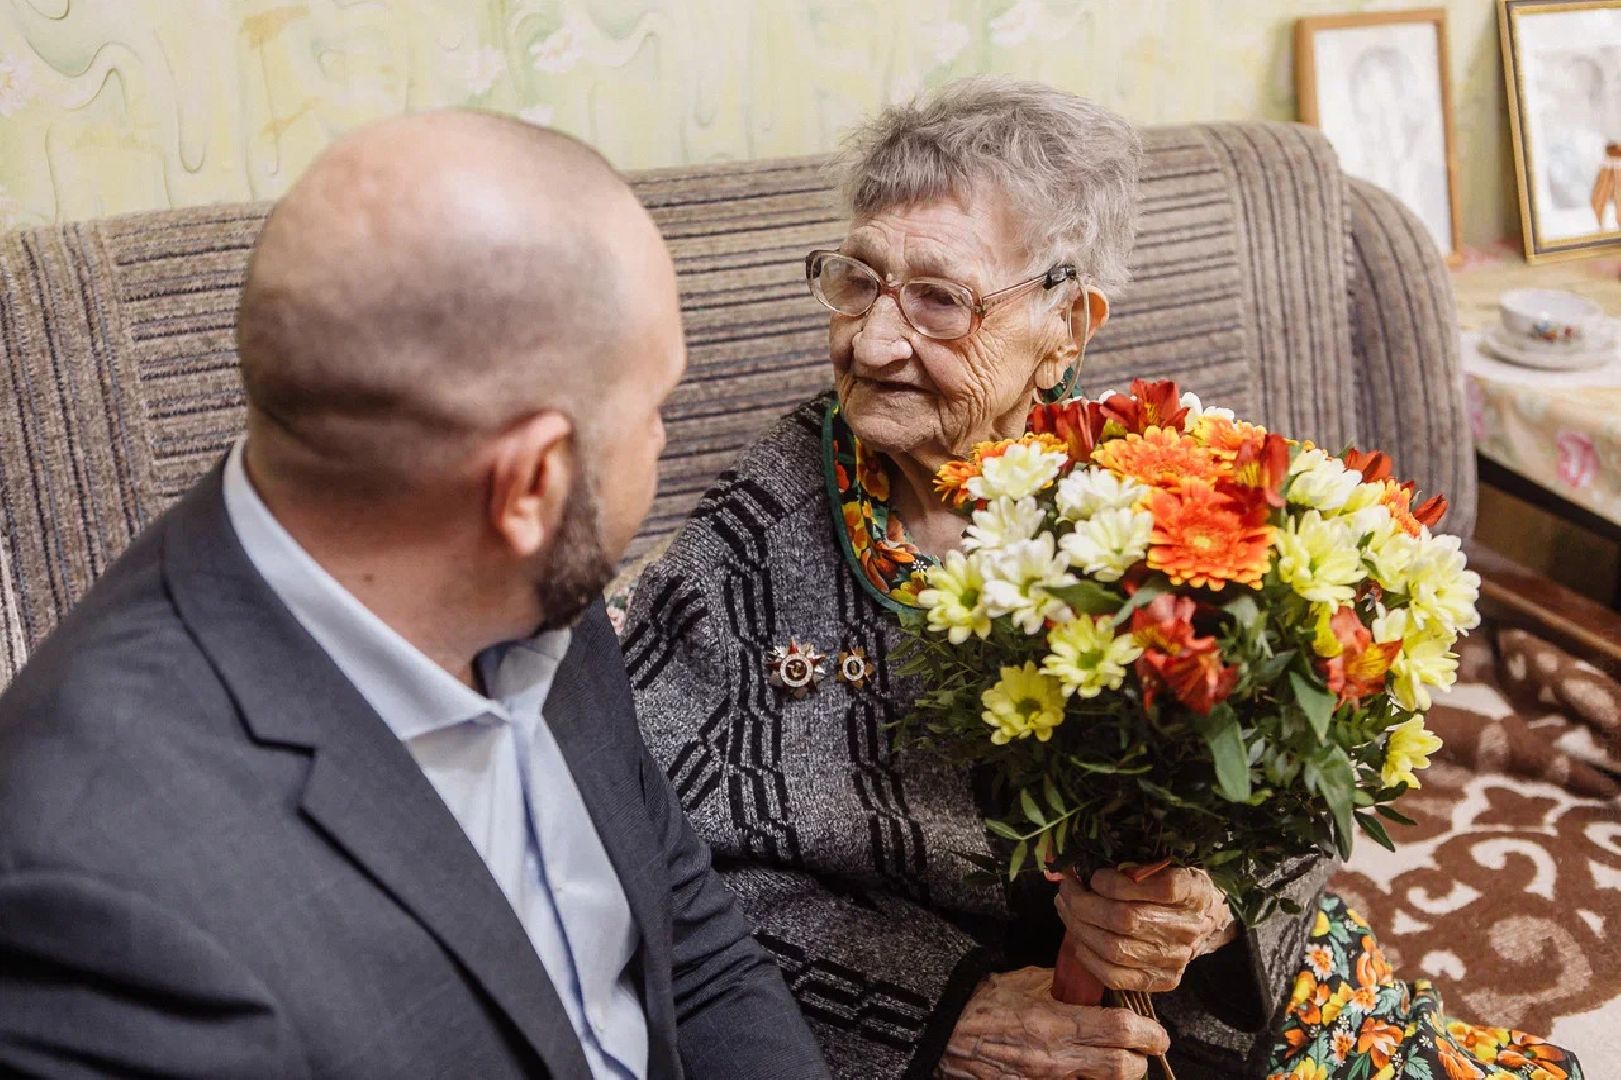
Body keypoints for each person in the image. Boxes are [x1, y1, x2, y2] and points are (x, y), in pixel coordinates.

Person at [622, 78, 1585, 1080]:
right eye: (857, 281)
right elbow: (639, 852)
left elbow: (1296, 767)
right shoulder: (751, 540)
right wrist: (937, 1011)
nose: (870, 340)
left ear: (1067, 328)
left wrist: (1211, 904)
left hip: (1214, 1013)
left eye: (939, 301)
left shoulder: (1167, 488)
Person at [0, 110, 829, 1080]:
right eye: (655, 409)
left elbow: (691, 951)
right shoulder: (92, 895)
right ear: (532, 486)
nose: (662, 441)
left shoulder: (533, 593)